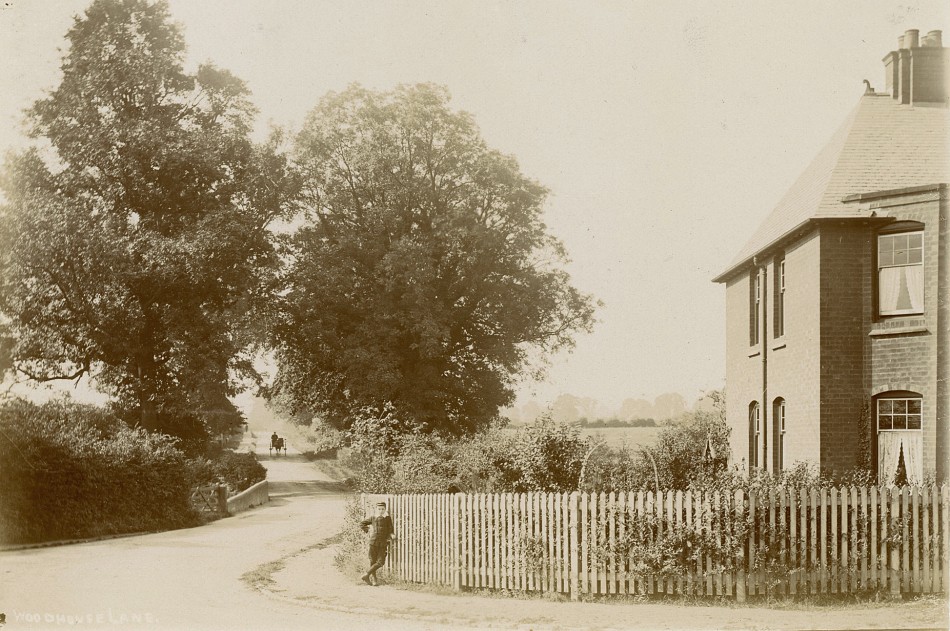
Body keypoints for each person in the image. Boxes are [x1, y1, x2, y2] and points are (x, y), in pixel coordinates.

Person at [359, 501, 394, 586]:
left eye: (382, 509)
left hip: (383, 543)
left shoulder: (387, 518)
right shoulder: (373, 517)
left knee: (381, 562)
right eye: (379, 509)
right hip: (373, 542)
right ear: (376, 509)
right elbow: (362, 523)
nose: (381, 511)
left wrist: (391, 534)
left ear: (385, 509)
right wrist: (367, 530)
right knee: (372, 560)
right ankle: (374, 579)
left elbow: (390, 529)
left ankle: (366, 574)